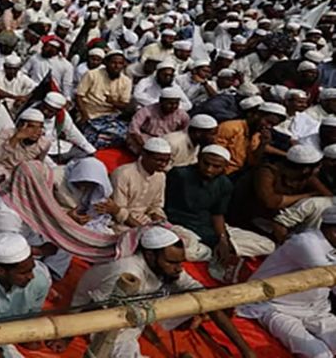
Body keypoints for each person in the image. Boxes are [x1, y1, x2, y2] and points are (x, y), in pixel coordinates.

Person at [72, 227, 256, 358]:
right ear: (151, 256)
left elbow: (208, 301)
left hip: (138, 311)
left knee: (209, 301)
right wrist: (67, 337)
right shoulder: (128, 272)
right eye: (172, 263)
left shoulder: (170, 269)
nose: (179, 269)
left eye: (180, 263)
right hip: (108, 321)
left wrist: (246, 351)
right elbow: (93, 310)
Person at [238, 205, 336, 358]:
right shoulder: (306, 243)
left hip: (318, 310)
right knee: (320, 355)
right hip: (278, 307)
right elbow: (328, 277)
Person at [166, 144, 276, 273]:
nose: (209, 169)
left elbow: (217, 214)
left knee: (269, 245)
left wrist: (223, 239)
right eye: (206, 163)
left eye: (216, 166)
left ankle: (221, 250)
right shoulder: (179, 174)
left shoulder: (225, 184)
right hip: (180, 225)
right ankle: (217, 252)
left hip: (208, 226)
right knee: (188, 250)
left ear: (225, 167)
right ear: (198, 158)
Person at [103, 137, 172, 233]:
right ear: (144, 155)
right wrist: (142, 229)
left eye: (166, 161)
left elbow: (156, 205)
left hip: (146, 220)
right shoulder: (123, 173)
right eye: (159, 160)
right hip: (122, 223)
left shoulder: (161, 176)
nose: (163, 164)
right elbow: (117, 210)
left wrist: (159, 220)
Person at [126, 87, 190, 154]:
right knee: (133, 140)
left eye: (176, 103)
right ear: (161, 101)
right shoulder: (147, 110)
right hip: (147, 138)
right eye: (170, 103)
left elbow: (185, 132)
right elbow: (134, 126)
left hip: (168, 141)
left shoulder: (182, 115)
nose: (173, 106)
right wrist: (142, 144)